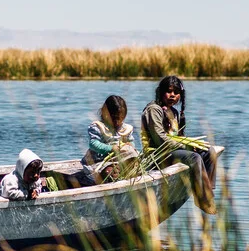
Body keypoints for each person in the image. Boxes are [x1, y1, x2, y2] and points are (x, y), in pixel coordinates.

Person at [141, 76, 217, 214]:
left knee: (209, 152)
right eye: (169, 91)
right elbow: (160, 138)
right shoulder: (154, 109)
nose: (172, 95)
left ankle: (208, 195)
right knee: (194, 158)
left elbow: (179, 137)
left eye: (176, 93)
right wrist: (185, 147)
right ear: (161, 92)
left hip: (173, 152)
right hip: (157, 155)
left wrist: (191, 144)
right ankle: (200, 197)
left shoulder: (174, 112)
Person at [81, 95, 139, 183]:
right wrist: (111, 148)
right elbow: (93, 144)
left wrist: (130, 145)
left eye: (121, 119)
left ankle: (121, 169)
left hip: (119, 159)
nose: (117, 122)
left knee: (134, 156)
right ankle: (108, 173)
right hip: (99, 161)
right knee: (109, 171)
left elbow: (130, 141)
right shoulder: (98, 127)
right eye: (114, 118)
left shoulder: (125, 129)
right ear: (105, 114)